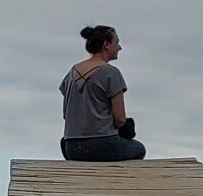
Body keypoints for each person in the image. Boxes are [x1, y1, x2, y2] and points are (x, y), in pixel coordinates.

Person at [59, 24, 144, 161]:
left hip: (71, 147)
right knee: (139, 149)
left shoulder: (71, 73)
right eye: (117, 42)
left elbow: (66, 114)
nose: (119, 47)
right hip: (102, 145)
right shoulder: (110, 72)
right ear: (106, 44)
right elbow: (120, 119)